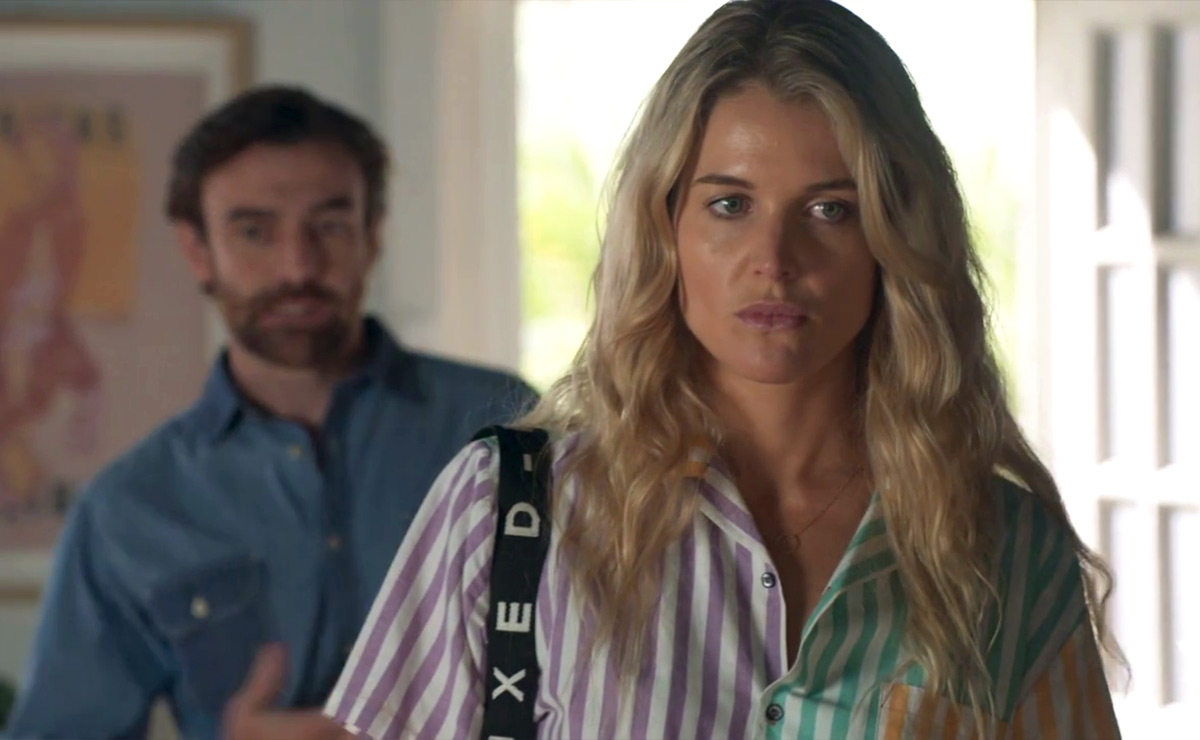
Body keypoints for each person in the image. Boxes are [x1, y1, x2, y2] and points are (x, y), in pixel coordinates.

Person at [324, 1, 1125, 739]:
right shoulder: (508, 513)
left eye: (831, 209)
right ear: (664, 224)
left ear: (896, 237)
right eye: (730, 205)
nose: (774, 260)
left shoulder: (1005, 551)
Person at [4, 86, 536, 740]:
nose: (297, 266)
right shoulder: (128, 509)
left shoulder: (506, 429)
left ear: (372, 235)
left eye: (329, 225)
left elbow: (614, 669)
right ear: (197, 250)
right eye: (254, 230)